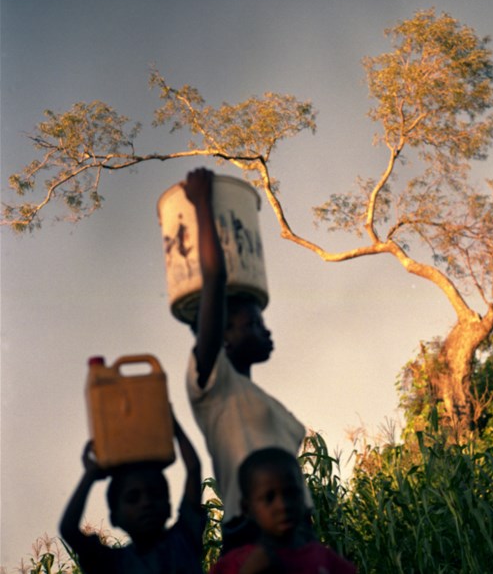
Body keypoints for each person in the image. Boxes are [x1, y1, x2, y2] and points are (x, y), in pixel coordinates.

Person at [183, 168, 313, 553]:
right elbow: (214, 280)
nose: (266, 332)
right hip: (252, 536)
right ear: (223, 334)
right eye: (254, 324)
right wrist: (202, 204)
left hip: (299, 534)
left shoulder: (257, 397)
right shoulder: (213, 385)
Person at [59, 411, 204, 574]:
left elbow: (193, 469)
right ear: (114, 518)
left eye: (155, 494)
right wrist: (90, 475)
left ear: (169, 507)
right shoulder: (113, 564)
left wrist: (172, 423)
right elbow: (69, 530)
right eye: (133, 499)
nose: (146, 503)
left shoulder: (184, 539)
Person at [209, 447, 356, 574]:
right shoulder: (232, 565)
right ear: (247, 508)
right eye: (269, 498)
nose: (282, 506)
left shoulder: (328, 562)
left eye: (291, 493)